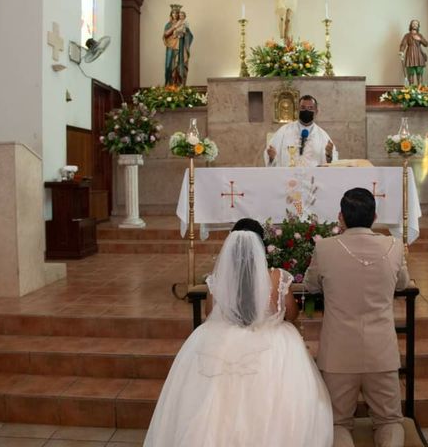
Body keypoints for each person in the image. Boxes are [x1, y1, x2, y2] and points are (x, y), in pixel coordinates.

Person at [143, 218, 333, 447]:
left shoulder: (218, 280)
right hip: (271, 342)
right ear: (261, 246)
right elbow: (290, 314)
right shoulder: (277, 277)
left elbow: (210, 313)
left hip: (223, 341)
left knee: (214, 403)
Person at [304, 188, 410, 447]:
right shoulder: (394, 246)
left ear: (341, 217)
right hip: (381, 351)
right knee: (389, 420)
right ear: (374, 216)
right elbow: (403, 283)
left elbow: (310, 285)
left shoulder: (325, 248)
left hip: (339, 352)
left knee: (337, 422)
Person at [265, 95, 338, 167]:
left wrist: (329, 156)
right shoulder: (283, 132)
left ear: (316, 111)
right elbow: (269, 154)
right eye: (303, 108)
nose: (306, 111)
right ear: (298, 110)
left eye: (310, 108)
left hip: (313, 177)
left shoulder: (323, 136)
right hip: (288, 177)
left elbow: (331, 163)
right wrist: (271, 158)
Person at [399, 19, 428, 85]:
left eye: (416, 24)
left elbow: (426, 44)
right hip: (410, 55)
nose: (415, 25)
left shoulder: (420, 35)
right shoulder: (407, 35)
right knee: (410, 74)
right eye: (413, 23)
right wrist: (401, 51)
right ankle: (411, 90)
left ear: (418, 26)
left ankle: (420, 90)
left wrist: (420, 39)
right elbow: (403, 44)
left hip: (419, 55)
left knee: (419, 73)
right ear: (411, 25)